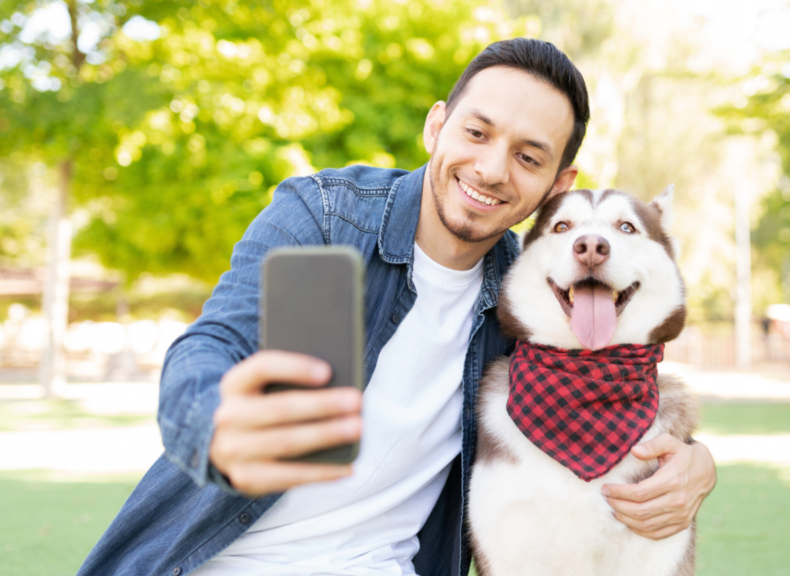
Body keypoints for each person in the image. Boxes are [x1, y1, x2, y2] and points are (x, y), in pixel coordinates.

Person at [78, 38, 717, 576]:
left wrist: (700, 463)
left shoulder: (530, 294)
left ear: (558, 185)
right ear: (436, 125)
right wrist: (219, 423)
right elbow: (215, 345)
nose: (492, 169)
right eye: (476, 132)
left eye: (527, 157)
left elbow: (615, 382)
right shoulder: (332, 224)